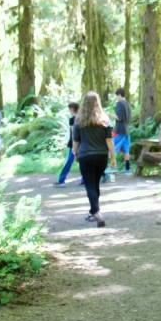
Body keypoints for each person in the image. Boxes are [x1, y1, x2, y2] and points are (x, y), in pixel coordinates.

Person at [73, 91, 116, 227]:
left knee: (90, 185)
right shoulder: (104, 120)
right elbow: (109, 141)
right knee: (95, 183)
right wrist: (113, 157)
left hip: (85, 156)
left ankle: (97, 212)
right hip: (101, 156)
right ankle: (94, 211)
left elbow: (76, 141)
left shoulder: (79, 120)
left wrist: (75, 153)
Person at [55, 101, 80, 188]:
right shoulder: (82, 118)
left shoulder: (73, 119)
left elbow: (73, 133)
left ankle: (61, 180)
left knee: (68, 162)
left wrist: (73, 145)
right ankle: (85, 180)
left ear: (72, 109)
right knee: (83, 162)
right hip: (82, 143)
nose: (69, 110)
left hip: (73, 143)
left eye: (69, 109)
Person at [113, 88, 133, 173]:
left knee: (112, 147)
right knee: (126, 150)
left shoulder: (119, 103)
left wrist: (110, 115)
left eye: (117, 96)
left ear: (120, 95)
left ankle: (112, 167)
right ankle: (127, 169)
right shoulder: (128, 103)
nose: (116, 98)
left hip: (120, 130)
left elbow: (119, 117)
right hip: (127, 129)